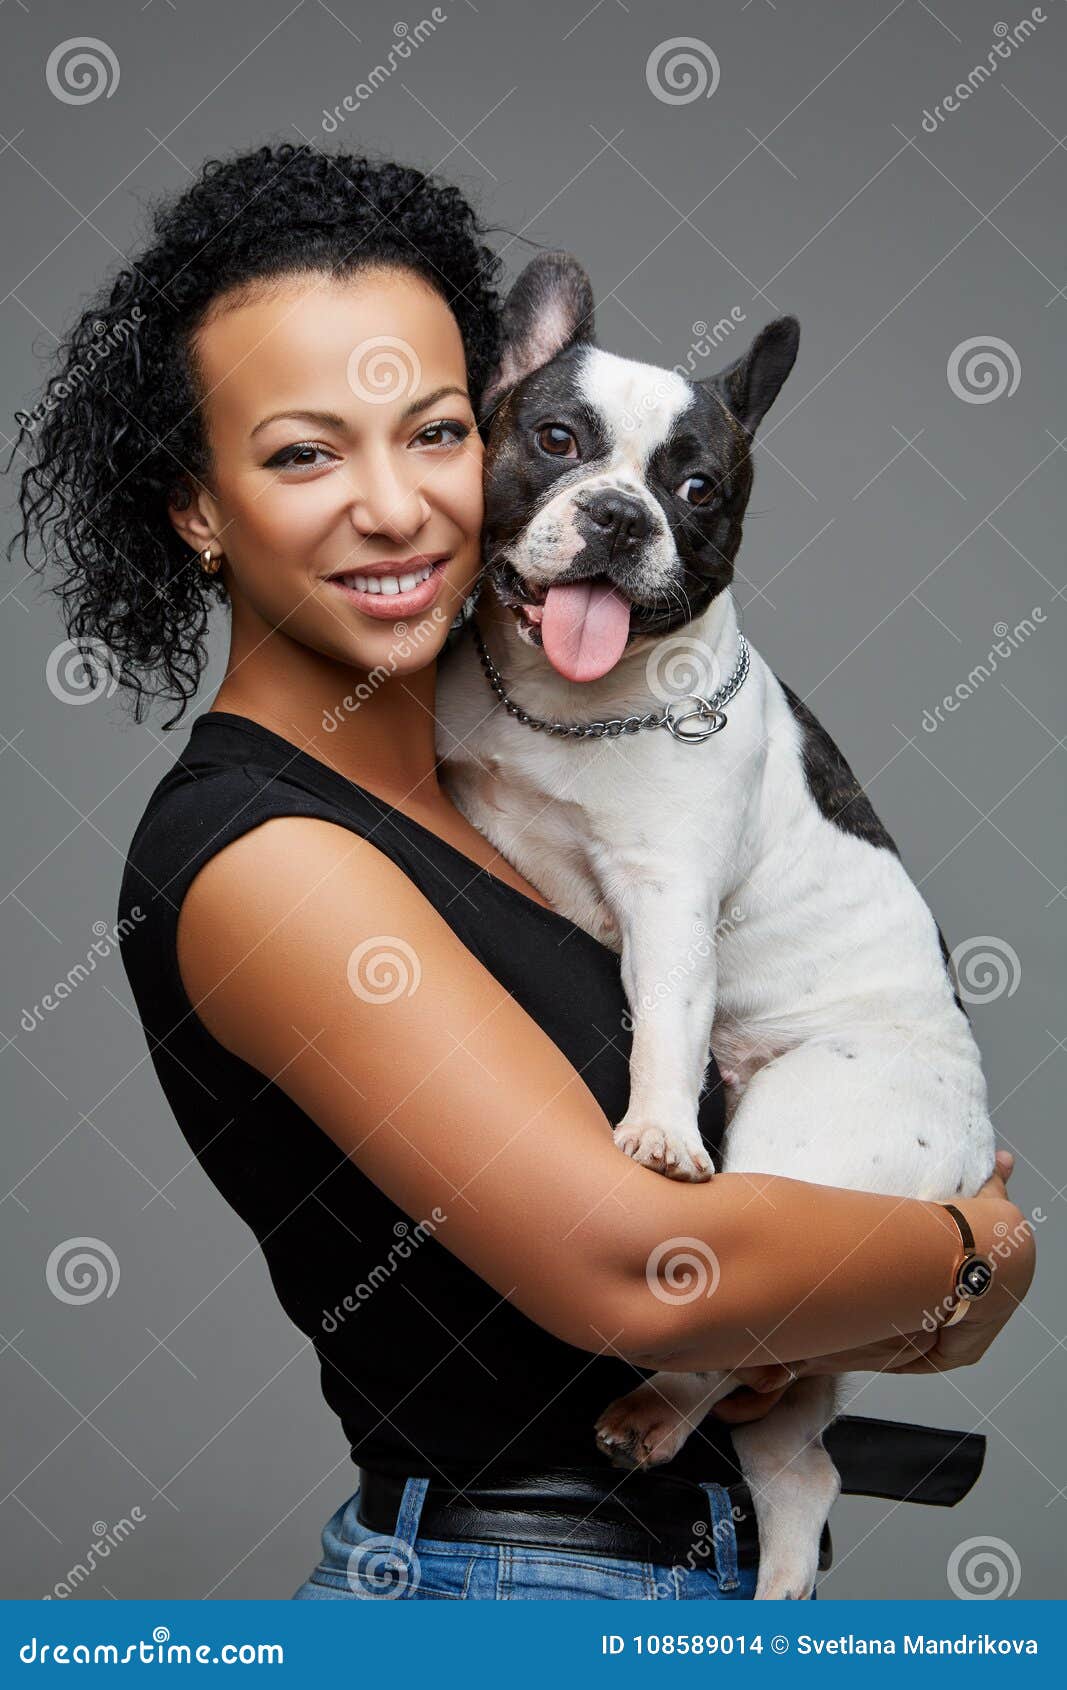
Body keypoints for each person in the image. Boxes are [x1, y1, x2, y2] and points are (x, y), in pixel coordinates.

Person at [10, 142, 1034, 1602]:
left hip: (683, 1570)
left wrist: (870, 1266)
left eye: (434, 432)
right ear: (196, 504)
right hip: (519, 1595)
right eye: (305, 452)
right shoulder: (263, 856)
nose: (397, 505)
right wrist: (976, 1253)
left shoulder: (520, 756)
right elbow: (642, 1267)